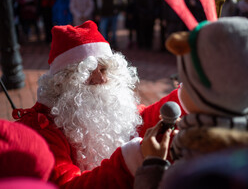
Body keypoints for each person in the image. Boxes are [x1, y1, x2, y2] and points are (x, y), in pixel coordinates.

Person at [12, 20, 186, 189]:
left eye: (103, 70)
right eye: (88, 72)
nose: (101, 79)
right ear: (63, 82)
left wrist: (189, 94)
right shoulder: (43, 129)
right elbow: (66, 185)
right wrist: (136, 158)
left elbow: (144, 120)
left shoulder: (106, 105)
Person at [134, 0, 248, 189]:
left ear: (202, 89)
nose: (178, 86)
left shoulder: (191, 174)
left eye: (184, 80)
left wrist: (154, 166)